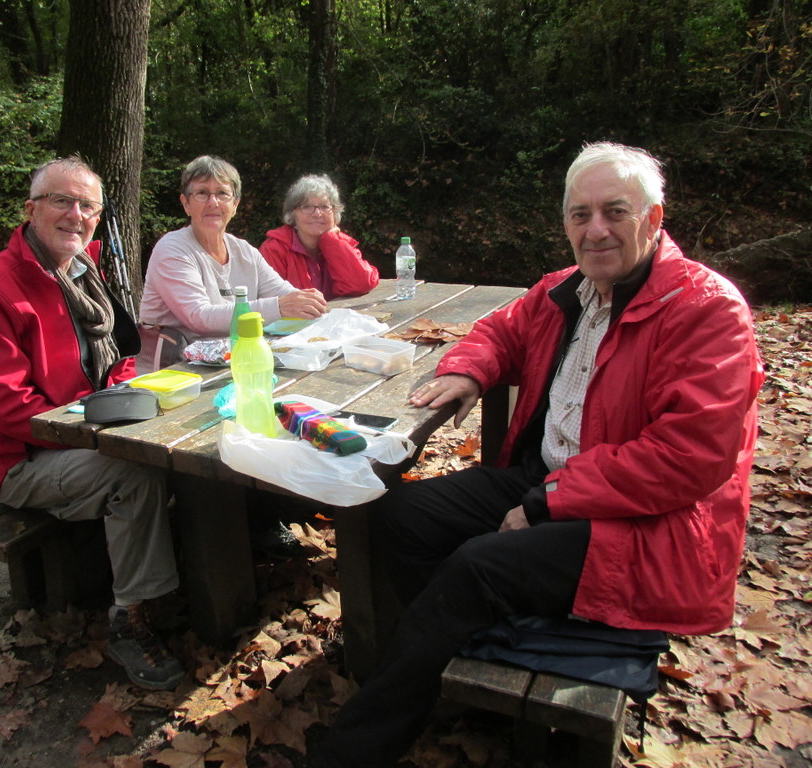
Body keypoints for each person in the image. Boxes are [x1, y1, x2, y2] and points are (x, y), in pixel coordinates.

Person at [308, 142, 765, 767]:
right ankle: (467, 656)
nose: (595, 229)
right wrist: (471, 371)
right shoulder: (564, 290)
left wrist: (548, 501)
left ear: (654, 220)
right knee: (398, 516)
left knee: (476, 567)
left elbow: (689, 457)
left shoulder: (707, 309)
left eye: (615, 212)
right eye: (580, 215)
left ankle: (350, 751)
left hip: (644, 524)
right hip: (546, 478)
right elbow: (500, 329)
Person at [0, 156, 185, 692]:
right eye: (61, 200)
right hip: (24, 458)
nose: (74, 214)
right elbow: (6, 404)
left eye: (87, 206)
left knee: (180, 442)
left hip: (91, 428)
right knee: (135, 472)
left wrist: (127, 396)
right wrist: (100, 425)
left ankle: (183, 570)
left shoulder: (84, 272)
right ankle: (131, 616)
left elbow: (120, 359)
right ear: (30, 209)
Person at [137, 155, 328, 372]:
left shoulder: (244, 251)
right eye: (202, 193)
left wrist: (306, 301)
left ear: (235, 204)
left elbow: (283, 293)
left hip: (228, 365)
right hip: (172, 374)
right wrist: (280, 307)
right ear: (186, 204)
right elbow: (199, 317)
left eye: (222, 193)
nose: (213, 202)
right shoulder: (172, 249)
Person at [259, 174, 379, 300]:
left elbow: (361, 284)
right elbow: (273, 301)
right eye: (306, 207)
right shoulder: (274, 250)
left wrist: (331, 241)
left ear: (335, 213)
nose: (317, 213)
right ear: (292, 214)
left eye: (324, 207)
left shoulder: (340, 243)